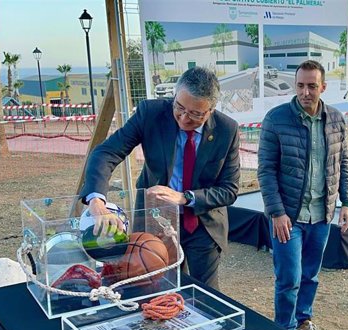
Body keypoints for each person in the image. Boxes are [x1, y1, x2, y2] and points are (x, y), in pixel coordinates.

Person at [80, 67, 241, 289]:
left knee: (206, 293)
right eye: (180, 107)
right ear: (174, 97)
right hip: (154, 220)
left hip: (203, 224)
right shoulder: (151, 113)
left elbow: (229, 189)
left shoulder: (227, 129)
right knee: (155, 286)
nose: (184, 118)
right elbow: (106, 152)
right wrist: (96, 200)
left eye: (196, 114)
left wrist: (184, 197)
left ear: (211, 110)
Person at [257, 60, 348, 330]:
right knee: (288, 278)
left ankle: (304, 322)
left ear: (323, 87)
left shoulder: (336, 119)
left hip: (321, 215)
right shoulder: (276, 119)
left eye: (312, 86)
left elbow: (343, 163)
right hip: (289, 216)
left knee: (311, 274)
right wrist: (276, 212)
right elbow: (266, 170)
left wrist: (347, 203)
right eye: (300, 85)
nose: (305, 92)